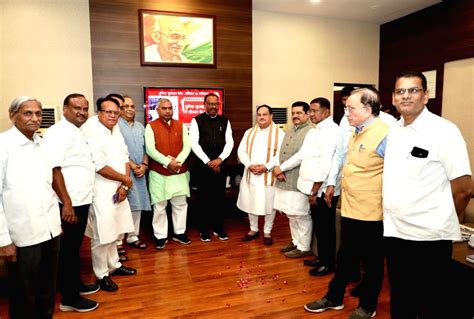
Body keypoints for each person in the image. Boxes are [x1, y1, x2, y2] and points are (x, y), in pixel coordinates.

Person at [383, 71, 472, 318]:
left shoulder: (444, 131)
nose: (406, 96)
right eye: (400, 91)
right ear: (393, 98)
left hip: (429, 239)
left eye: (413, 90)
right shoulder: (394, 131)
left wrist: (441, 218)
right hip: (395, 232)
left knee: (432, 304)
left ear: (426, 96)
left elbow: (464, 188)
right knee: (400, 298)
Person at [304, 88, 388, 319]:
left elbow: (395, 176)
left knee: (371, 263)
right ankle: (334, 297)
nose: (346, 113)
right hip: (351, 208)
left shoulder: (385, 134)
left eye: (350, 108)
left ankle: (368, 305)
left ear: (368, 109)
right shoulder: (355, 132)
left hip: (373, 213)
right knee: (345, 257)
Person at [0, 96, 62, 318]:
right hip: (22, 234)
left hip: (50, 231)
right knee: (23, 294)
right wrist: (4, 240)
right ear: (12, 115)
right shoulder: (3, 145)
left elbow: (48, 185)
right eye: (28, 113)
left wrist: (56, 221)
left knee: (47, 291)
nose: (35, 118)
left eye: (38, 113)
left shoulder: (42, 143)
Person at [42, 94, 99, 312]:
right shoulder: (58, 133)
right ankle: (69, 299)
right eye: (77, 108)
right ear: (65, 108)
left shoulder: (76, 131)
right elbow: (54, 169)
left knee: (73, 250)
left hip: (80, 200)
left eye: (85, 109)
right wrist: (66, 203)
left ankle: (75, 285)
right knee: (68, 251)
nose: (82, 112)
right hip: (69, 204)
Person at [82, 97, 137, 292]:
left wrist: (125, 185)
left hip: (120, 188)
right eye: (108, 112)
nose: (113, 115)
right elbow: (99, 166)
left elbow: (124, 157)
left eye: (116, 111)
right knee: (102, 234)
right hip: (102, 189)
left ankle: (114, 264)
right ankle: (101, 274)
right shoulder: (93, 131)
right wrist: (125, 180)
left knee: (117, 230)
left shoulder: (116, 130)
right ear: (99, 113)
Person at [300, 97, 343, 276]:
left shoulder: (331, 131)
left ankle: (328, 264)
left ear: (327, 112)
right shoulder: (317, 130)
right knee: (319, 226)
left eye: (314, 111)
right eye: (310, 111)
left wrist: (314, 190)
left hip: (325, 189)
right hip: (317, 187)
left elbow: (326, 164)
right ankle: (321, 258)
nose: (311, 114)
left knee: (326, 228)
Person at [145, 98, 192, 249]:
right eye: (164, 108)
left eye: (170, 108)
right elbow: (150, 150)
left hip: (179, 172)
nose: (167, 111)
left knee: (180, 204)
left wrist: (177, 162)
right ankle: (160, 236)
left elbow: (187, 146)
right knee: (159, 206)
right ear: (157, 110)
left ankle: (179, 233)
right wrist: (167, 162)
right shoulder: (150, 126)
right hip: (159, 173)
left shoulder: (181, 125)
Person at [237, 105, 285, 245]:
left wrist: (267, 167)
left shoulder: (280, 134)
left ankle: (267, 231)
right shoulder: (249, 132)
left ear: (271, 116)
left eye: (265, 114)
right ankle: (253, 229)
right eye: (259, 115)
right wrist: (249, 165)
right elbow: (241, 151)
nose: (261, 117)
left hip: (268, 175)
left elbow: (280, 155)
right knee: (251, 201)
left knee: (270, 204)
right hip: (251, 173)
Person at [190, 93, 234, 242]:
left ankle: (218, 227)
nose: (213, 107)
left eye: (216, 104)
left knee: (219, 198)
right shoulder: (196, 120)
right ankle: (203, 230)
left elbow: (230, 143)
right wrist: (209, 162)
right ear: (204, 104)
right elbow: (194, 144)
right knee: (203, 198)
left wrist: (220, 159)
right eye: (210, 104)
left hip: (220, 165)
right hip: (203, 166)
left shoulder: (225, 121)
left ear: (219, 105)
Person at [273, 101, 313, 258]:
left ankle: (304, 247)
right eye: (293, 113)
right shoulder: (290, 130)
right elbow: (279, 152)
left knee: (301, 214)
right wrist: (277, 169)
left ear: (307, 113)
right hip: (284, 178)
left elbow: (302, 155)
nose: (295, 116)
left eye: (299, 113)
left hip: (298, 179)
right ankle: (295, 242)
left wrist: (281, 169)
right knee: (290, 213)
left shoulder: (311, 131)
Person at [118, 95, 151, 250]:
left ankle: (133, 236)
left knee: (137, 205)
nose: (130, 109)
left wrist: (144, 165)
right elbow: (119, 151)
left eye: (132, 106)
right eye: (125, 106)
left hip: (140, 172)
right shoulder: (115, 125)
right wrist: (132, 166)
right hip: (124, 172)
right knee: (122, 205)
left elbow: (147, 149)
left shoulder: (141, 127)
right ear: (120, 109)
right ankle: (118, 242)